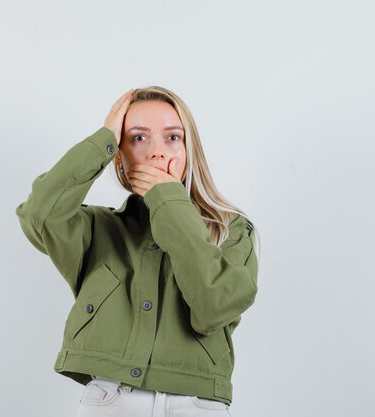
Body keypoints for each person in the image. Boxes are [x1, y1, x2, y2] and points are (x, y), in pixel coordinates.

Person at [16, 86, 260, 416]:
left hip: (198, 403)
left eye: (173, 137)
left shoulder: (232, 230)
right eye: (138, 138)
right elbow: (39, 215)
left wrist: (169, 203)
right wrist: (103, 139)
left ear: (190, 150)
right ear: (119, 155)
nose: (158, 152)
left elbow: (214, 308)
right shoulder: (98, 229)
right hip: (111, 399)